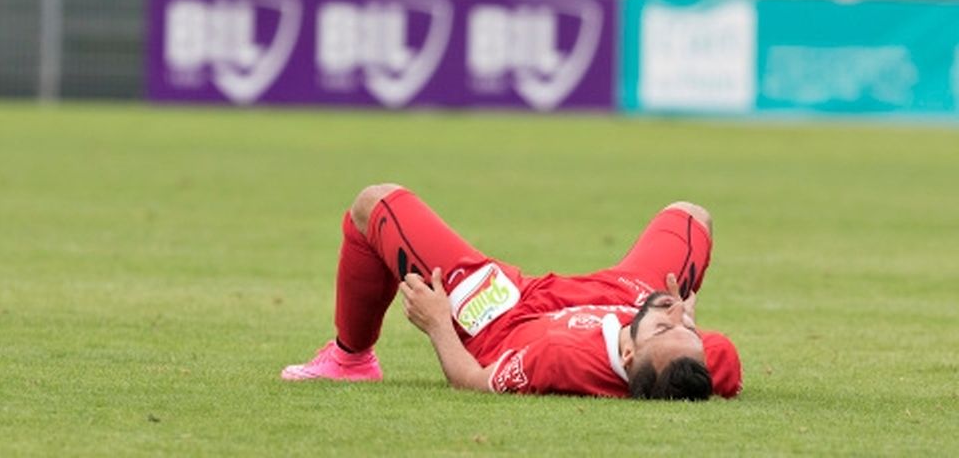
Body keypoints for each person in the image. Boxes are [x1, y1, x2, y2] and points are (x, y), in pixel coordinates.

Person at [281, 184, 742, 400]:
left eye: (665, 327)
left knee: (375, 204)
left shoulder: (558, 358)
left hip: (505, 311)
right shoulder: (713, 360)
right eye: (687, 330)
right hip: (624, 297)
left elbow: (472, 380)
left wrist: (438, 322)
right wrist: (675, 319)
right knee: (690, 214)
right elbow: (682, 344)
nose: (676, 316)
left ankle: (350, 359)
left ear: (627, 353)